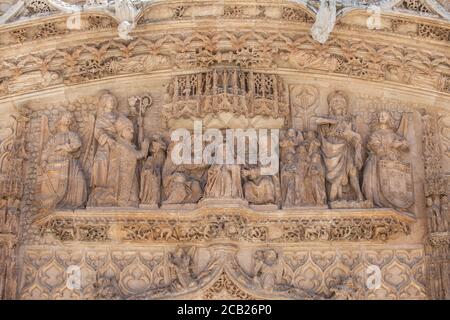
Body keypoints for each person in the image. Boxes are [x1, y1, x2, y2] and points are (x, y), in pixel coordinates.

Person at [38, 112, 87, 210]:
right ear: (60, 119)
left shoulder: (72, 135)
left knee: (80, 180)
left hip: (69, 164)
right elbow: (46, 150)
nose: (68, 119)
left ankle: (73, 203)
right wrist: (43, 161)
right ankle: (53, 204)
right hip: (54, 165)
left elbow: (77, 144)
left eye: (70, 118)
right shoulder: (54, 137)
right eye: (66, 117)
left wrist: (62, 146)